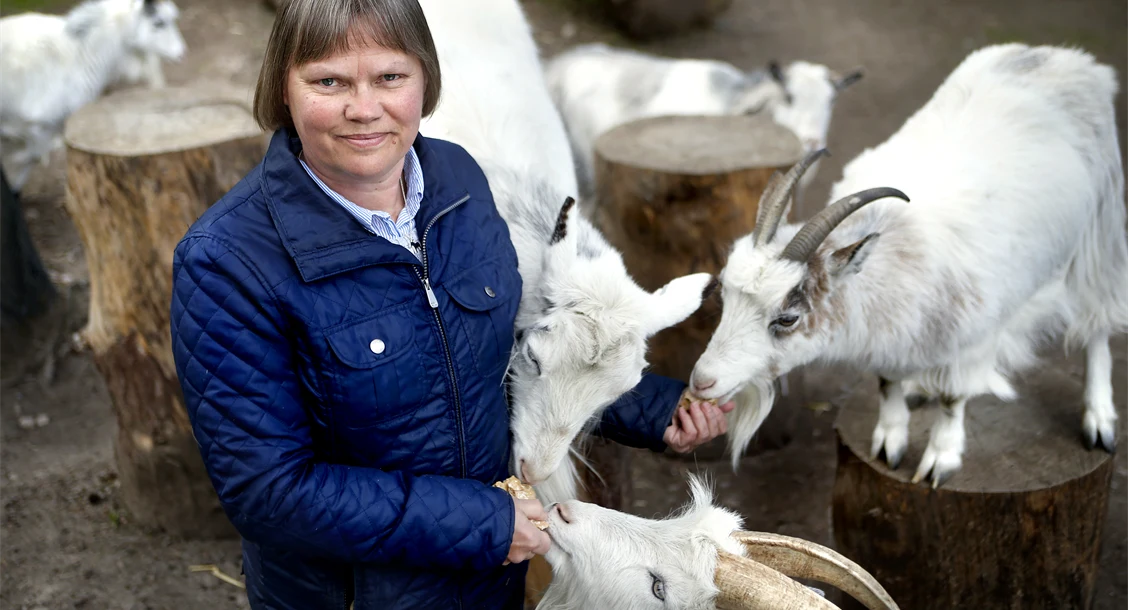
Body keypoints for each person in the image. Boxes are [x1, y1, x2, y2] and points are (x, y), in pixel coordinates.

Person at [168, 0, 733, 608]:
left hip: (489, 577)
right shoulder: (226, 262)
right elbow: (269, 492)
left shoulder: (459, 182)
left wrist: (652, 408)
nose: (364, 108)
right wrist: (482, 524)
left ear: (425, 81)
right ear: (283, 89)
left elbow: (497, 350)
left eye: (390, 77)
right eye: (329, 81)